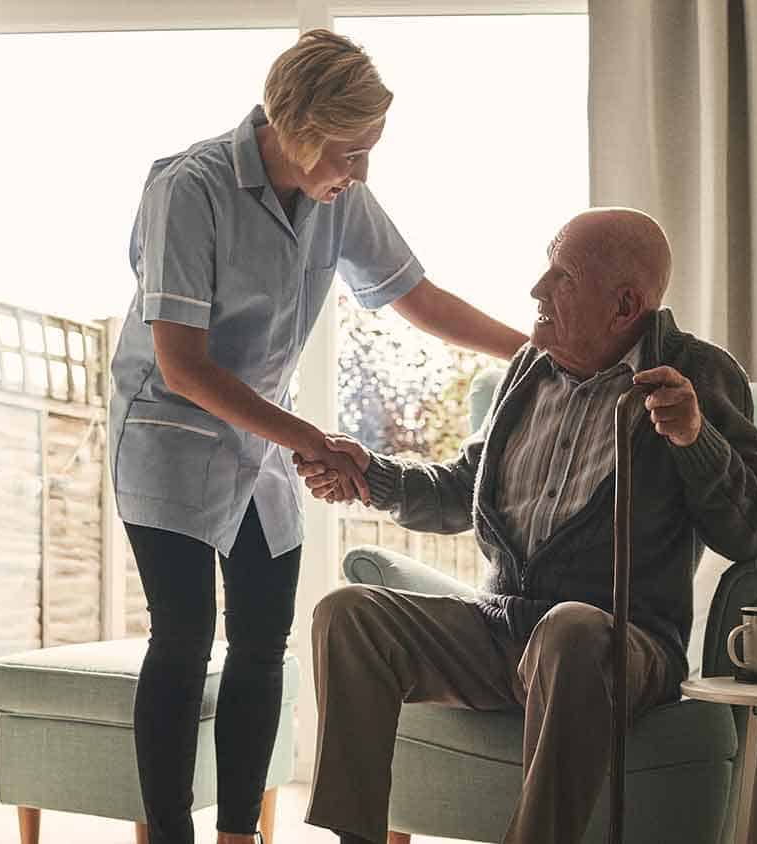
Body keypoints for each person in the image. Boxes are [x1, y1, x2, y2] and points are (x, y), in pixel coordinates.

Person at [108, 29, 527, 844]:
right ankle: (168, 835)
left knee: (264, 641)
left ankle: (238, 834)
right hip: (171, 433)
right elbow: (184, 365)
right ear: (296, 127)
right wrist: (308, 437)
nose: (360, 170)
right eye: (349, 151)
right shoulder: (188, 190)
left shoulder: (338, 196)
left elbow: (421, 297)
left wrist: (534, 349)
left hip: (261, 440)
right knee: (184, 636)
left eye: (369, 151)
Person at [297, 208, 757, 844]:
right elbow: (462, 491)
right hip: (503, 631)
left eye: (563, 277)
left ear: (624, 305)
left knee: (572, 629)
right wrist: (375, 474)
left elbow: (755, 532)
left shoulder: (697, 375)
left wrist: (696, 438)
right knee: (348, 612)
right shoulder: (527, 370)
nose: (537, 291)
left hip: (621, 641)